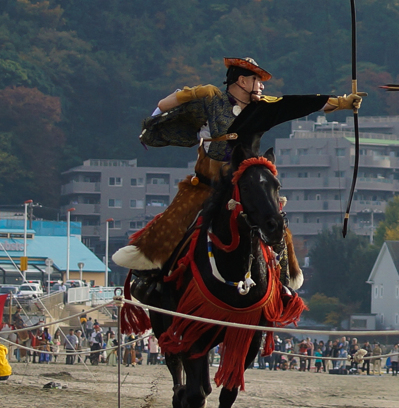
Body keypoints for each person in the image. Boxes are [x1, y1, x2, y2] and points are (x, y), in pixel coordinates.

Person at [113, 56, 362, 280]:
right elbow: (164, 105)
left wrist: (343, 102)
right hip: (208, 180)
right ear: (242, 81)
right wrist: (191, 93)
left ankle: (285, 279)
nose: (261, 86)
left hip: (245, 183)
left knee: (274, 219)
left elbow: (299, 104)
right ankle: (152, 274)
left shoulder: (263, 108)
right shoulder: (211, 100)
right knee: (177, 217)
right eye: (257, 81)